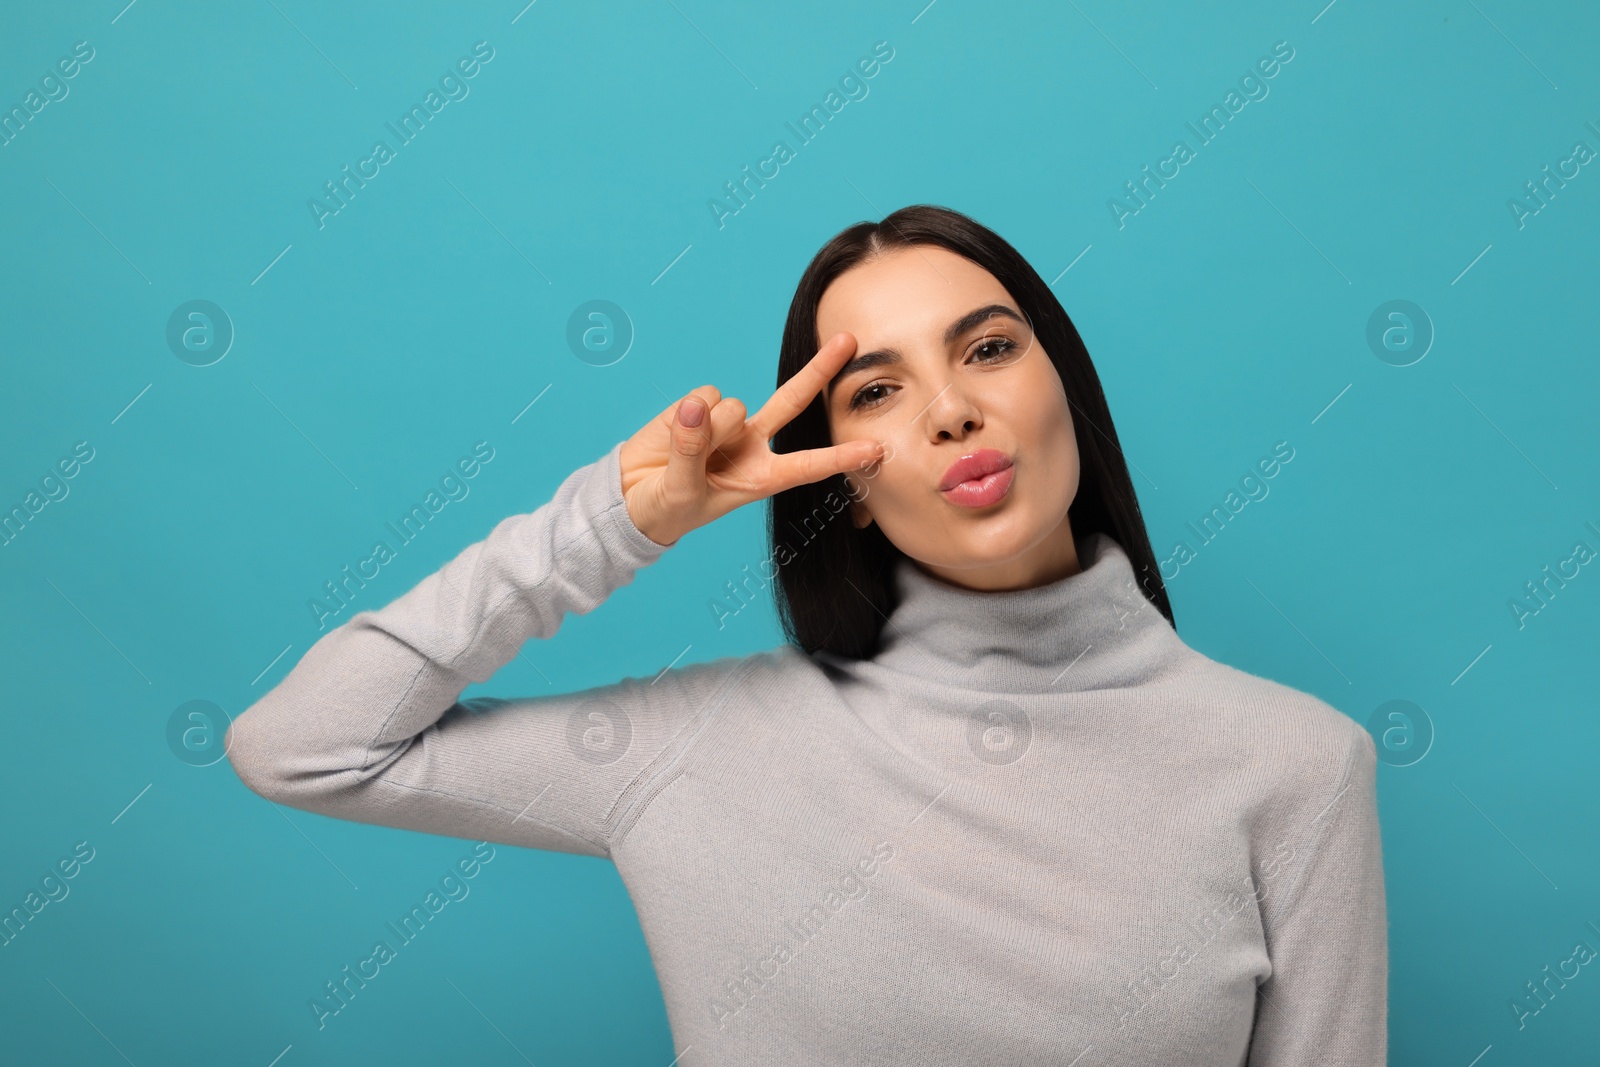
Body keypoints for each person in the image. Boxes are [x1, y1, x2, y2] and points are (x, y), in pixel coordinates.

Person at [226, 204, 1387, 1065]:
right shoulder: (694, 748)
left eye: (986, 348)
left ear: (1063, 383)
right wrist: (618, 523)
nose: (950, 410)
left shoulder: (1295, 763)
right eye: (874, 390)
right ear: (840, 476)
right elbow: (305, 746)